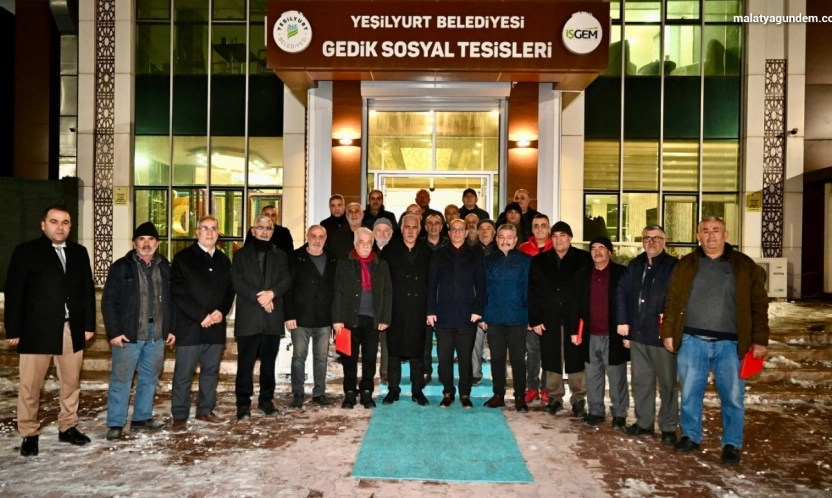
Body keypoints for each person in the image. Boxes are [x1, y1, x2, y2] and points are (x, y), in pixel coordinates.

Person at [662, 217, 769, 466]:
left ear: (726, 234)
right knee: (689, 394)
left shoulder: (743, 265)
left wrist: (760, 339)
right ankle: (690, 436)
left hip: (730, 344)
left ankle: (732, 443)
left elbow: (759, 304)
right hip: (692, 340)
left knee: (732, 396)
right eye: (705, 231)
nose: (711, 236)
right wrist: (669, 332)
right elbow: (673, 300)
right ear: (698, 235)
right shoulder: (687, 264)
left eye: (716, 231)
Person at [5, 205, 96, 456]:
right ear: (43, 225)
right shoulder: (26, 252)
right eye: (54, 221)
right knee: (30, 386)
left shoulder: (79, 252)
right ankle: (29, 433)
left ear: (70, 226)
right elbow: (14, 293)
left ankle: (68, 426)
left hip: (71, 330)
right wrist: (12, 329)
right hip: (36, 331)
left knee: (71, 383)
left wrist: (88, 325)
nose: (60, 226)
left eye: (65, 222)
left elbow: (87, 290)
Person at [101, 222, 176, 441]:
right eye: (141, 239)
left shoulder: (165, 267)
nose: (146, 243)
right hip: (129, 333)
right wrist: (114, 332)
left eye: (151, 239)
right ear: (134, 243)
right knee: (121, 379)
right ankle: (115, 423)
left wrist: (171, 328)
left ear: (157, 243)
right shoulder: (121, 267)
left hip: (157, 333)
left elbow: (173, 302)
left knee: (149, 378)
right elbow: (108, 302)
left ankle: (142, 417)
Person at [170, 216, 235, 432]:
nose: (209, 232)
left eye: (214, 229)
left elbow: (229, 292)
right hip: (190, 327)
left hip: (215, 327)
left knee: (210, 372)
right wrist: (201, 316)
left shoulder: (224, 261)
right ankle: (179, 415)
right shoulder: (183, 258)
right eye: (205, 228)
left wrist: (221, 312)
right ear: (197, 232)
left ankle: (205, 410)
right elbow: (179, 292)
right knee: (183, 373)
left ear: (218, 233)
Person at [617, 225, 679, 444]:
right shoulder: (635, 265)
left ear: (664, 241)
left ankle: (669, 427)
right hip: (639, 336)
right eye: (647, 238)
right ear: (642, 241)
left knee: (667, 384)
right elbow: (622, 293)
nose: (651, 242)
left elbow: (678, 301)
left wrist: (672, 331)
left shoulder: (674, 267)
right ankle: (644, 423)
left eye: (656, 238)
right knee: (641, 382)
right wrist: (623, 323)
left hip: (663, 338)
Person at [528, 221, 592, 417]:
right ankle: (555, 397)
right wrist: (535, 319)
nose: (558, 240)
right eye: (554, 236)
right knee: (551, 358)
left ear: (570, 238)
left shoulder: (583, 259)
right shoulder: (540, 261)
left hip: (575, 319)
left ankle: (578, 398)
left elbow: (588, 291)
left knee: (576, 359)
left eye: (562, 236)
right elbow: (533, 291)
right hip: (549, 319)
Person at [232, 215, 292, 420]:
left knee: (268, 364)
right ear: (253, 230)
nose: (265, 231)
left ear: (272, 231)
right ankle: (242, 404)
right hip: (249, 317)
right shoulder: (240, 255)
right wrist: (261, 298)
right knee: (245, 364)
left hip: (272, 318)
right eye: (261, 228)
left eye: (269, 228)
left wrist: (272, 294)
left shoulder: (282, 256)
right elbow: (237, 282)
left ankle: (266, 400)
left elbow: (286, 280)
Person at [427, 219, 486, 409]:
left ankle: (465, 393)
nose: (458, 232)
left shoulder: (476, 254)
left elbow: (482, 285)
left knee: (465, 357)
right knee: (444, 357)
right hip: (443, 314)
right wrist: (430, 310)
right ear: (449, 232)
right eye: (454, 230)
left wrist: (478, 310)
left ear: (467, 232)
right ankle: (448, 392)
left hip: (467, 314)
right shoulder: (438, 254)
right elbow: (431, 285)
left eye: (461, 229)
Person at [332, 228, 393, 409]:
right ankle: (350, 393)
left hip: (372, 320)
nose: (366, 246)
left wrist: (385, 318)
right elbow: (338, 291)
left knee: (369, 357)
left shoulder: (381, 265)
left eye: (369, 242)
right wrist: (336, 319)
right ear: (355, 244)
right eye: (362, 242)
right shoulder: (345, 264)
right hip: (348, 320)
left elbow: (387, 292)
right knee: (348, 358)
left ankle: (367, 392)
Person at [573, 237, 629, 430]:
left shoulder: (622, 274)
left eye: (601, 248)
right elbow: (576, 306)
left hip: (613, 335)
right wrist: (575, 331)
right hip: (590, 334)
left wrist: (627, 331)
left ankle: (619, 414)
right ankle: (595, 411)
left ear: (610, 252)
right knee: (592, 376)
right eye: (593, 248)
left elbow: (628, 306)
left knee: (617, 376)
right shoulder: (582, 275)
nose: (597, 252)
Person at [380, 214, 432, 406]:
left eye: (414, 227)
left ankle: (417, 390)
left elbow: (432, 283)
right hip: (396, 309)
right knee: (394, 351)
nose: (410, 230)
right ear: (400, 229)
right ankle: (393, 390)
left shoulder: (427, 252)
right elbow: (383, 283)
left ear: (420, 230)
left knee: (417, 351)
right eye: (407, 227)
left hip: (419, 309)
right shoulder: (389, 251)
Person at [285, 225, 337, 408]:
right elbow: (288, 288)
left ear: (325, 237)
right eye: (313, 236)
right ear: (307, 236)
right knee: (299, 356)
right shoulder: (294, 257)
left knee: (321, 357)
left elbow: (337, 289)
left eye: (321, 236)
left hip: (324, 317)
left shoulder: (333, 258)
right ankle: (297, 393)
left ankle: (319, 393)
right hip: (300, 317)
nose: (317, 240)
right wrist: (289, 314)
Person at [481, 225, 532, 413]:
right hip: (494, 317)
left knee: (518, 359)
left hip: (518, 318)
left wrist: (530, 317)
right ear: (496, 239)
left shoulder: (526, 260)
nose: (505, 241)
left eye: (509, 237)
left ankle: (520, 396)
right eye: (501, 237)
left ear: (515, 239)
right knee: (497, 358)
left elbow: (529, 290)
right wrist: (483, 315)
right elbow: (483, 289)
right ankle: (498, 395)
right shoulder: (488, 261)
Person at [517, 213, 553, 405]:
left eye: (543, 225)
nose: (540, 229)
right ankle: (532, 388)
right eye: (536, 225)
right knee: (532, 352)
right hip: (530, 309)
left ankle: (547, 389)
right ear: (531, 228)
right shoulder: (523, 249)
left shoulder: (556, 247)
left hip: (551, 311)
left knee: (549, 352)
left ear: (549, 228)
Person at [419, 212, 449, 385]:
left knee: (444, 341)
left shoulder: (449, 245)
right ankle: (425, 371)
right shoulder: (420, 246)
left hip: (445, 300)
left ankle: (444, 373)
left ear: (442, 225)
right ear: (425, 226)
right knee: (425, 339)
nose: (433, 226)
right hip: (425, 298)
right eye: (430, 223)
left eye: (437, 222)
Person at [373, 218, 395, 383]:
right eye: (379, 230)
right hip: (369, 304)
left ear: (392, 233)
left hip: (389, 302)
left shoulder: (395, 251)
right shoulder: (366, 249)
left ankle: (385, 371)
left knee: (387, 340)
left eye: (386, 230)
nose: (383, 234)